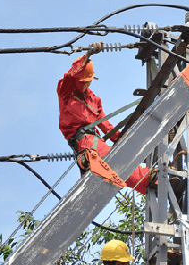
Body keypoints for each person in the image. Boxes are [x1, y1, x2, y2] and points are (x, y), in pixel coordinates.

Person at [56, 42, 151, 194]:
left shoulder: (94, 100)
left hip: (95, 140)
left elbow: (106, 126)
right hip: (83, 141)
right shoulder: (66, 91)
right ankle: (147, 179)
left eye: (87, 81)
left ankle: (151, 181)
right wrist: (87, 55)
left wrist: (125, 140)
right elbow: (71, 74)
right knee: (113, 161)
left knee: (118, 161)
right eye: (82, 81)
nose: (84, 84)